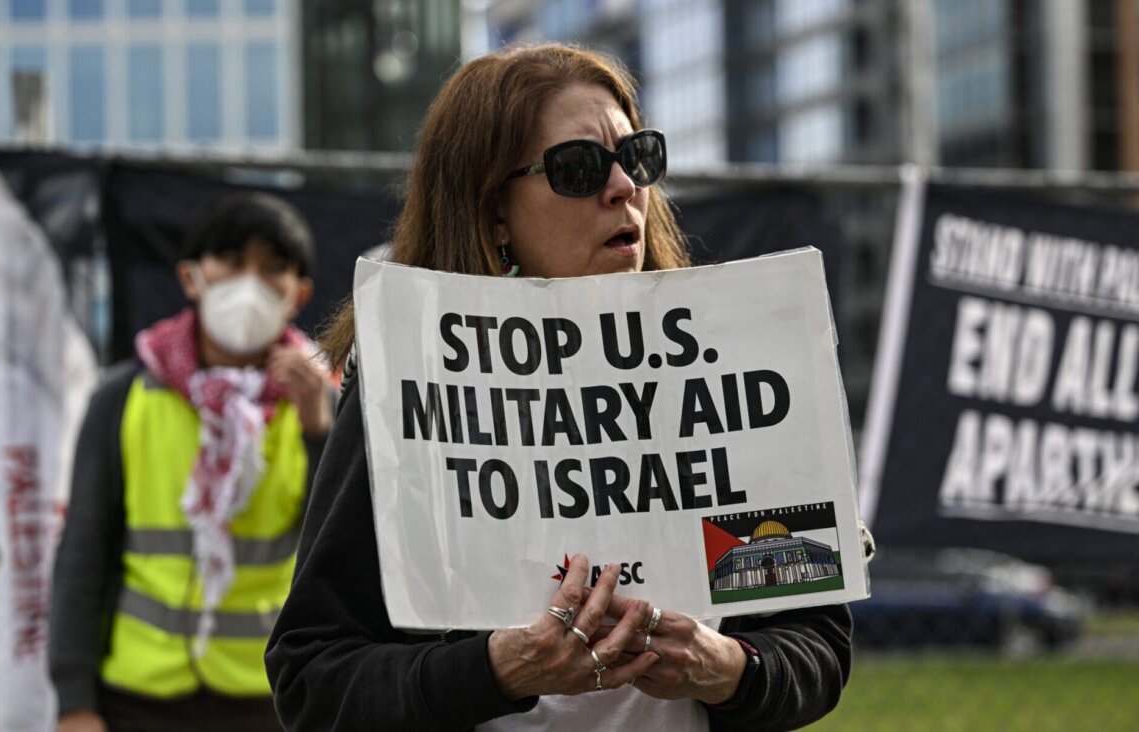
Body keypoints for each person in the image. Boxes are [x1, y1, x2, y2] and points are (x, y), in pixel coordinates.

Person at [266, 43, 852, 731]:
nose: (624, 188)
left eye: (637, 157)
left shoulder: (726, 368)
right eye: (578, 169)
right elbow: (314, 677)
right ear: (493, 217)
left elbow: (815, 643)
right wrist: (493, 671)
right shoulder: (409, 384)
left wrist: (730, 669)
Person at [50, 192, 336, 732]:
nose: (248, 284)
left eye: (272, 268)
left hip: (267, 697)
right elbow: (83, 553)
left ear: (298, 295)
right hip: (138, 695)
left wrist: (320, 431)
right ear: (190, 278)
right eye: (230, 261)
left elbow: (340, 557)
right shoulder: (124, 396)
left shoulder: (322, 404)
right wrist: (74, 703)